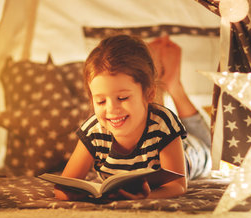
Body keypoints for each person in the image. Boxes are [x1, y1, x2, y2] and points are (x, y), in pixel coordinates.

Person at [54, 34, 211, 201]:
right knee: (144, 111)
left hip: (193, 150)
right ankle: (159, 78)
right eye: (100, 101)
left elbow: (178, 185)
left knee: (208, 145)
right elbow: (64, 187)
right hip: (150, 121)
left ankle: (173, 85)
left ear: (150, 93)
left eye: (122, 98)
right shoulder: (93, 131)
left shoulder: (164, 124)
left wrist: (147, 196)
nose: (111, 109)